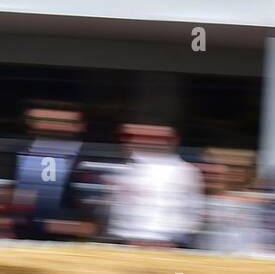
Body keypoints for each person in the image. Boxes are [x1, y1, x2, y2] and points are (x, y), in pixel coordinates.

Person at [5, 103, 98, 242]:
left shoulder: (88, 158)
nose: (52, 124)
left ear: (80, 125)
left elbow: (91, 217)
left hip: (66, 241)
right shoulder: (14, 152)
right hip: (17, 237)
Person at [106, 124, 205, 247]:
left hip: (168, 245)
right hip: (128, 244)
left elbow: (193, 212)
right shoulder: (124, 169)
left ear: (173, 141)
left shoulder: (187, 171)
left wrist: (171, 241)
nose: (150, 142)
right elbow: (114, 209)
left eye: (159, 138)